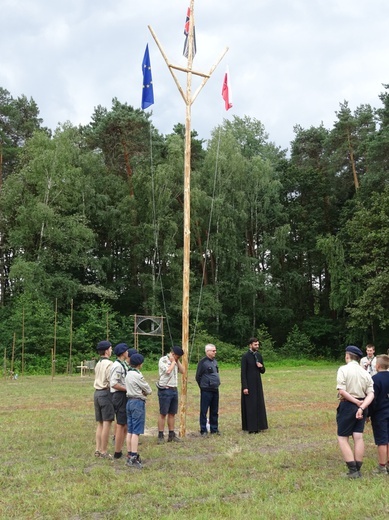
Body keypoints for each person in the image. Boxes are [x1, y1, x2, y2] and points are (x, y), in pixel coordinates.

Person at [336, 345, 374, 478]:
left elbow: (341, 390)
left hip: (348, 405)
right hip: (363, 405)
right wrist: (362, 406)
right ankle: (358, 468)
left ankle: (352, 470)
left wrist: (356, 402)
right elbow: (371, 394)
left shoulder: (343, 369)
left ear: (347, 356)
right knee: (358, 437)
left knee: (342, 437)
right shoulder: (365, 373)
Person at [125, 353, 152, 469]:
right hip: (137, 402)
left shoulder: (128, 374)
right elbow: (148, 389)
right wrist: (144, 392)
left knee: (130, 430)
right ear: (140, 364)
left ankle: (129, 453)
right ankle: (134, 457)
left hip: (129, 401)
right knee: (136, 431)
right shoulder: (137, 375)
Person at [366, 354, 389, 474]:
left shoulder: (375, 379)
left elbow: (372, 399)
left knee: (382, 440)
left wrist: (368, 414)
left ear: (377, 365)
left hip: (380, 414)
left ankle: (382, 466)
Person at [156, 345, 184, 443]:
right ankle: (160, 435)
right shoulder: (163, 360)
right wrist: (173, 361)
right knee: (163, 413)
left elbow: (183, 371)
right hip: (165, 389)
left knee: (172, 413)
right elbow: (168, 371)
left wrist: (177, 361)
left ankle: (171, 434)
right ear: (173, 354)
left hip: (174, 389)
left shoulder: (176, 361)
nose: (178, 358)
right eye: (177, 356)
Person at [241, 337, 268, 433]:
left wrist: (261, 367)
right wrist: (245, 387)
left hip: (257, 384)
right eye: (255, 344)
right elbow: (243, 373)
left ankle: (260, 426)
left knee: (258, 404)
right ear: (250, 345)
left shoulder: (259, 356)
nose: (257, 346)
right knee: (250, 405)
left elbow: (263, 371)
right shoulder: (245, 356)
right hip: (249, 384)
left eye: (258, 344)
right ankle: (251, 428)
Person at [93, 340, 114, 459]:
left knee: (100, 423)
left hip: (96, 393)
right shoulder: (109, 364)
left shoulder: (98, 363)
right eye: (110, 349)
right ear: (106, 351)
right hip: (105, 393)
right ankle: (104, 451)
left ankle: (98, 449)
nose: (111, 351)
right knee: (107, 423)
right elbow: (111, 380)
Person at [196, 344, 221, 436]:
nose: (215, 352)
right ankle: (203, 430)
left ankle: (214, 429)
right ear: (207, 352)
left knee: (214, 410)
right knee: (204, 410)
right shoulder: (202, 363)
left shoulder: (215, 362)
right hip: (206, 390)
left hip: (215, 389)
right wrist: (203, 386)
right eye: (213, 351)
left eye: (215, 350)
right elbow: (198, 376)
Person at [109, 343, 129, 459]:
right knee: (121, 424)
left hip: (123, 395)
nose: (128, 353)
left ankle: (120, 448)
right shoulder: (117, 366)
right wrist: (127, 388)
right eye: (126, 351)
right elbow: (114, 383)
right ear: (122, 353)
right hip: (119, 395)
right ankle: (117, 452)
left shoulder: (123, 364)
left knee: (124, 424)